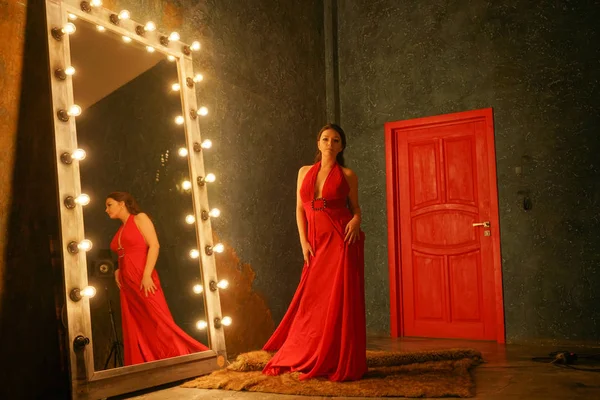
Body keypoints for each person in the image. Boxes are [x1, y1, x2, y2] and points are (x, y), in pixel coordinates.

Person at [262, 123, 367, 381]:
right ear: (318, 143)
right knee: (313, 299)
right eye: (325, 139)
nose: (329, 144)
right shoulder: (304, 172)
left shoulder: (348, 174)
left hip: (341, 238)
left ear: (341, 146)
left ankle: (336, 356)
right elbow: (300, 209)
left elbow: (356, 208)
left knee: (339, 298)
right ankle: (309, 350)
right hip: (315, 241)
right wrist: (303, 242)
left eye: (335, 140)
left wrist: (356, 221)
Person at [106, 191, 208, 365]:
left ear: (122, 203)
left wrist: (146, 275)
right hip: (127, 283)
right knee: (138, 324)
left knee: (159, 320)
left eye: (109, 204)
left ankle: (186, 358)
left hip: (143, 277)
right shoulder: (121, 229)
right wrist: (117, 269)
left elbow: (154, 245)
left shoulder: (140, 218)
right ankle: (152, 362)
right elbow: (123, 253)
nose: (106, 209)